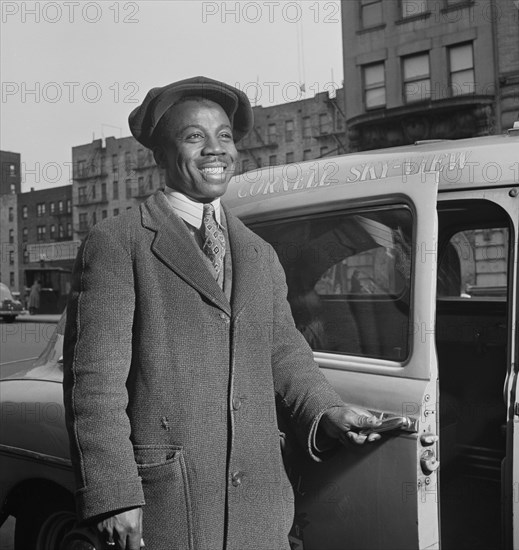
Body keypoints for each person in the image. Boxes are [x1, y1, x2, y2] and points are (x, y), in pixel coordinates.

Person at [63, 76, 382, 550]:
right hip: (171, 506)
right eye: (194, 137)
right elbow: (95, 382)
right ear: (160, 153)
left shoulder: (258, 253)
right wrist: (112, 495)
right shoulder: (118, 242)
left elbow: (285, 353)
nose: (216, 150)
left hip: (261, 509)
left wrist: (326, 410)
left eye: (225, 136)